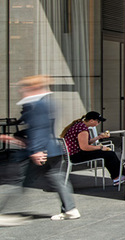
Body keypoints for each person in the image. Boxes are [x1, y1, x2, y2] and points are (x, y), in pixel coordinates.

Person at [0, 76, 79, 225]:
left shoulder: (36, 105)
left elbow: (39, 128)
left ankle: (2, 213)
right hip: (51, 149)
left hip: (40, 150)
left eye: (23, 88)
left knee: (18, 181)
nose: (21, 91)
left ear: (32, 88)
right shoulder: (46, 103)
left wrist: (36, 150)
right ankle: (70, 210)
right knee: (57, 177)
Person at [61, 112, 123, 185]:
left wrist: (99, 137)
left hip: (74, 154)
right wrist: (101, 147)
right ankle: (118, 177)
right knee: (109, 154)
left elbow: (86, 142)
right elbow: (85, 147)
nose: (99, 123)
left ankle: (119, 176)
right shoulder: (82, 129)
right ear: (91, 121)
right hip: (76, 155)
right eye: (98, 121)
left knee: (108, 154)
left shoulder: (78, 125)